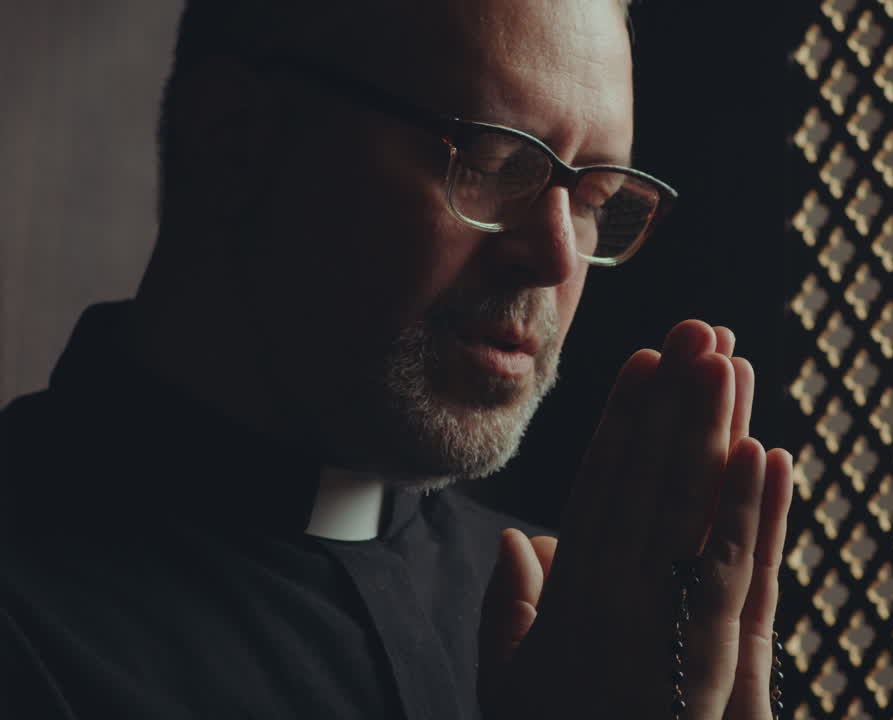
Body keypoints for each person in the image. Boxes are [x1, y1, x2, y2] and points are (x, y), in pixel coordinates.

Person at [0, 0, 794, 718]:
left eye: (593, 199)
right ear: (233, 139)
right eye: (490, 160)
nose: (557, 259)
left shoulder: (579, 619)